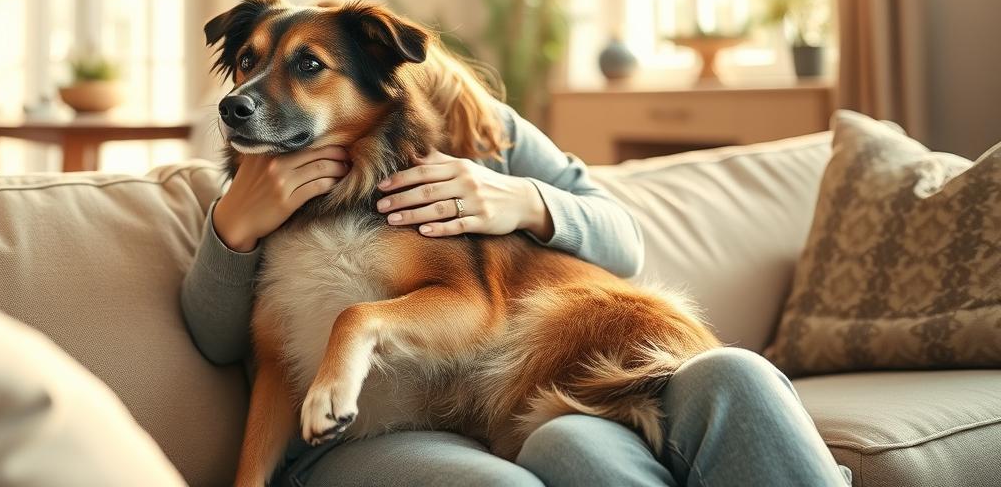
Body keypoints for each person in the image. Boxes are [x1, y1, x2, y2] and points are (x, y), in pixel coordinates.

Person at [181, 101, 850, 487]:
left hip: (559, 375)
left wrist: (524, 200)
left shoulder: (477, 121)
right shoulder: (273, 151)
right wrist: (235, 223)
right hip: (488, 418)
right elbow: (219, 339)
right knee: (564, 452)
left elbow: (624, 239)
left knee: (735, 372)